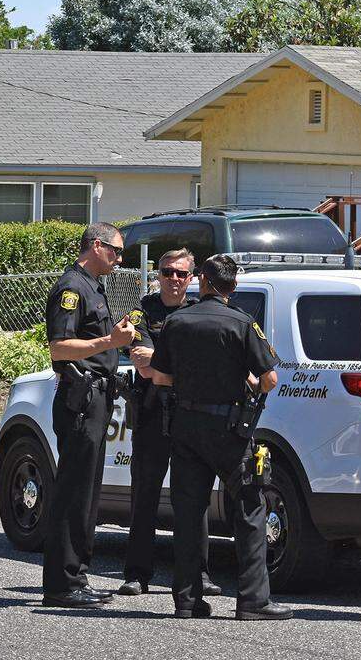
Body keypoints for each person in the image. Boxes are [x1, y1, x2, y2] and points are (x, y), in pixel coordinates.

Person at [143, 254, 292, 620]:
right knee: (250, 508)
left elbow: (159, 377)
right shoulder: (242, 323)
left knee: (189, 513)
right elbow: (270, 379)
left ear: (203, 282)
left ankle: (187, 600)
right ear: (233, 287)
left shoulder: (176, 321)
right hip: (230, 430)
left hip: (185, 426)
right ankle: (253, 601)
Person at [41, 222, 135, 608]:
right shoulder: (72, 288)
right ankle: (61, 584)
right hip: (80, 399)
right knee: (73, 491)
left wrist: (117, 343)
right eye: (115, 250)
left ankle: (75, 576)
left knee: (88, 493)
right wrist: (110, 340)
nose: (119, 259)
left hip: (97, 397)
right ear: (96, 245)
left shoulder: (94, 287)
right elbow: (60, 348)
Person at [119, 248, 220, 598]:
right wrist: (179, 362)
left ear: (191, 278)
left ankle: (198, 574)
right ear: (157, 275)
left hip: (190, 415)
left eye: (180, 273)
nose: (174, 279)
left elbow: (202, 364)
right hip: (151, 414)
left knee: (193, 497)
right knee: (145, 494)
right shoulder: (142, 312)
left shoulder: (198, 310)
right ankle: (136, 574)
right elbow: (144, 367)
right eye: (167, 272)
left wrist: (160, 358)